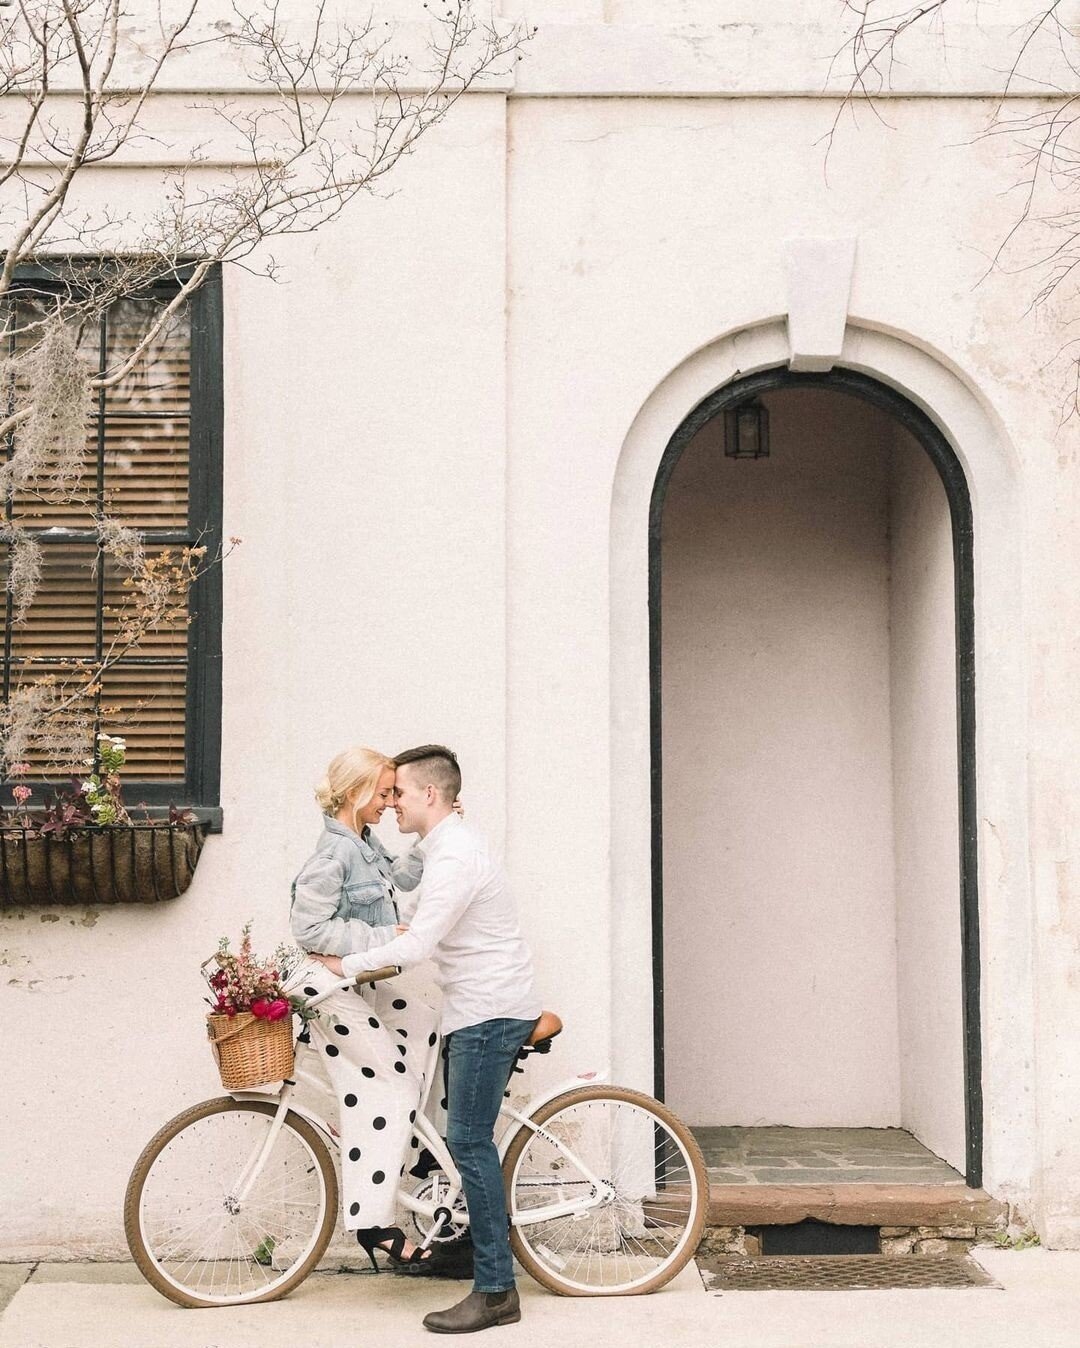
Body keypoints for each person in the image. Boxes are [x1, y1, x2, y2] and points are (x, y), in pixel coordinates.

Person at [310, 744, 542, 1335]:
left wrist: (343, 968)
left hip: (489, 1011)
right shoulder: (443, 847)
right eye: (384, 795)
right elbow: (406, 913)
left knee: (468, 1141)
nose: (393, 805)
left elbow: (416, 944)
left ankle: (496, 1292)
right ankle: (464, 1250)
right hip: (475, 1006)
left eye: (401, 794)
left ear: (430, 796)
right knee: (448, 1131)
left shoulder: (457, 855)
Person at [289, 745, 440, 1269]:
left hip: (361, 981)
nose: (389, 802)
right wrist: (378, 936)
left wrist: (432, 834)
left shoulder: (364, 842)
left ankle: (421, 1156)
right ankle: (375, 1224)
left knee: (427, 1027)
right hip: (329, 987)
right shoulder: (333, 854)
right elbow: (308, 929)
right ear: (355, 793)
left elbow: (400, 878)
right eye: (383, 793)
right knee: (390, 1083)